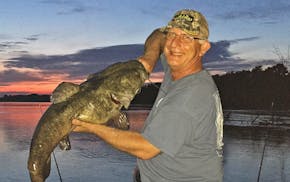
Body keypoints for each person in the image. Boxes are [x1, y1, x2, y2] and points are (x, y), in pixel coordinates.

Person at [72, 9, 224, 182]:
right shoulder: (181, 68)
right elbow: (159, 35)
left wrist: (89, 126)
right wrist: (149, 58)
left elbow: (146, 148)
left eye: (187, 37)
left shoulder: (190, 96)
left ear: (203, 47)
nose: (175, 44)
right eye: (173, 34)